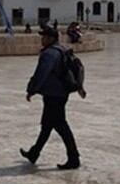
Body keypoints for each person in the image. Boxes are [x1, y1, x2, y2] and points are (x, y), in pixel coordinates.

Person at [20, 25, 83, 170]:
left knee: (61, 126)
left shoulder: (49, 54)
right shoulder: (60, 50)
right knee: (47, 126)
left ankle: (74, 158)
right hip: (59, 93)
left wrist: (32, 89)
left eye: (44, 37)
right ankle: (34, 153)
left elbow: (41, 73)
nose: (42, 39)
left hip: (54, 94)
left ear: (51, 39)